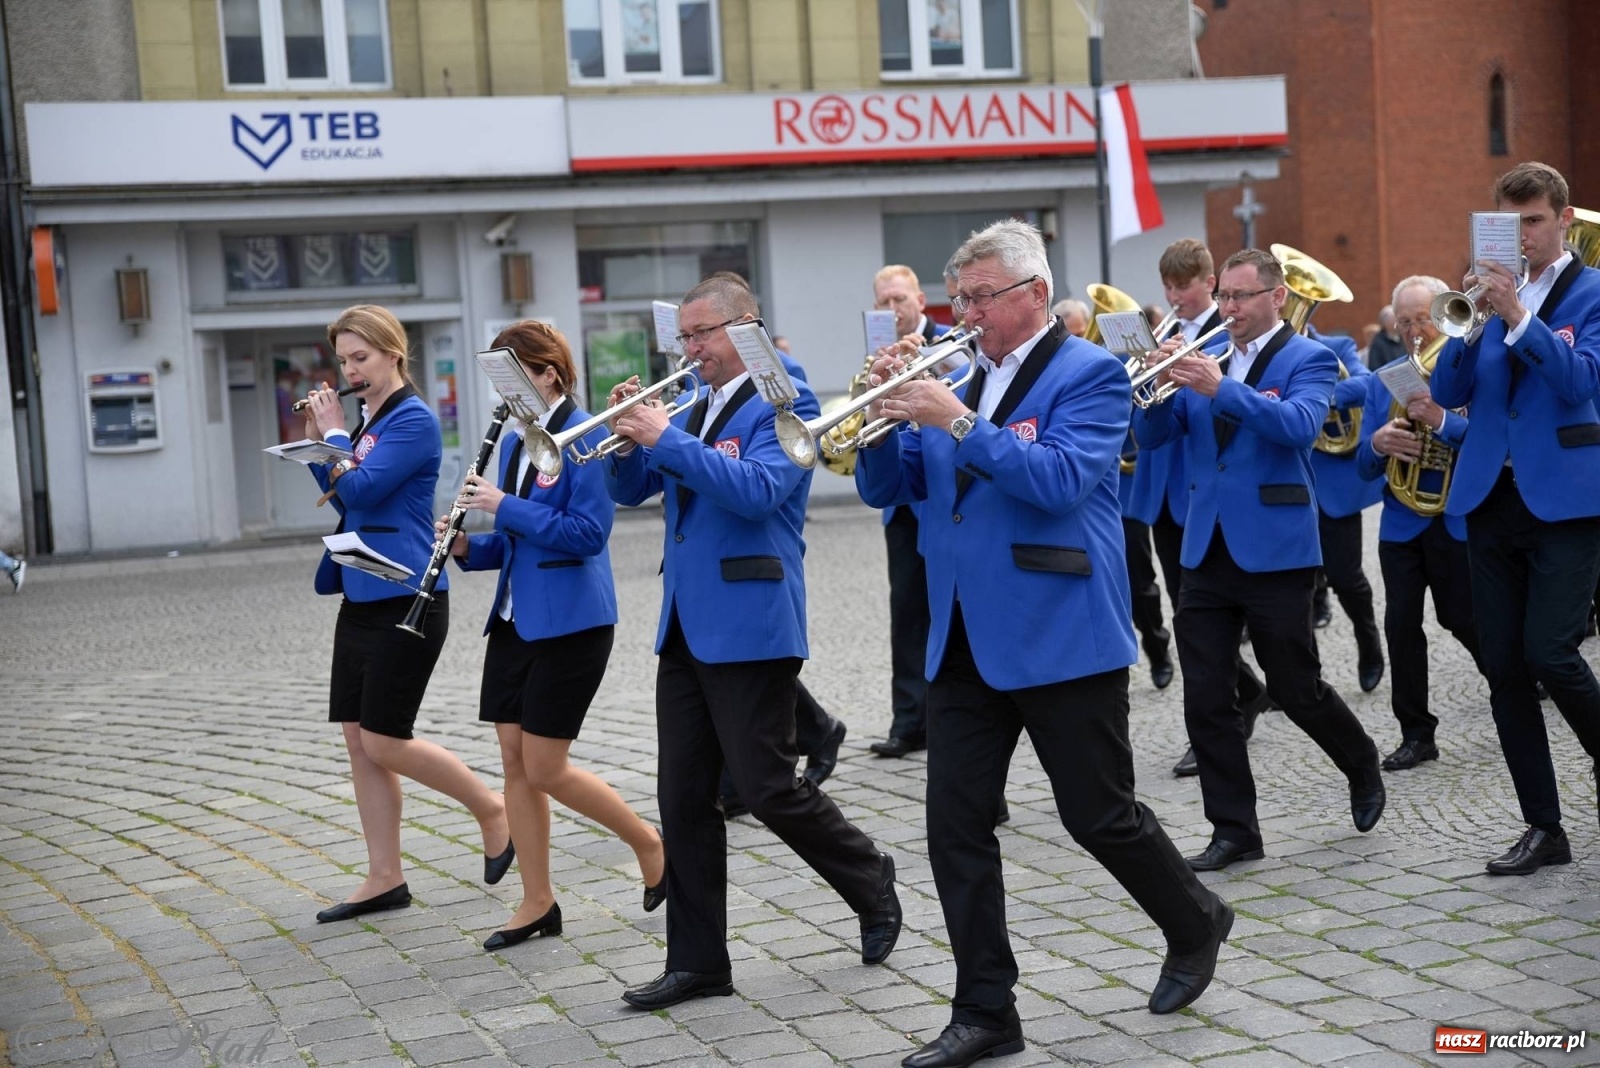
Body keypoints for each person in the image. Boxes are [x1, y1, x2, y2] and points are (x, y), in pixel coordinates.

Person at [859, 220, 1232, 1068]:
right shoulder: (956, 377)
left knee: (1098, 815)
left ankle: (1195, 917)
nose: (970, 315)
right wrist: (886, 420)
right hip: (962, 634)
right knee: (953, 827)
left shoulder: (1090, 372)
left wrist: (955, 422)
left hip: (1058, 625)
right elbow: (897, 489)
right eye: (966, 300)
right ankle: (987, 1010)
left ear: (1034, 294)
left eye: (985, 298)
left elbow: (1061, 481)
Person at [605, 276, 901, 1009]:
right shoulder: (693, 401)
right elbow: (627, 490)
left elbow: (759, 491)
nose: (690, 349)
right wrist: (625, 437)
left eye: (702, 335)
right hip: (684, 620)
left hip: (750, 613)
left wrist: (666, 438)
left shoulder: (785, 397)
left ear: (746, 329)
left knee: (768, 786)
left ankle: (870, 877)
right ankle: (699, 961)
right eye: (687, 337)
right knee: (682, 798)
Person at [1133, 249, 1386, 872]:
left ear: (1277, 297)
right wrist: (1156, 387)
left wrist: (1220, 388)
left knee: (1294, 686)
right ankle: (1235, 829)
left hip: (1276, 547)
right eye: (1225, 297)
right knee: (1207, 696)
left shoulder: (1310, 358)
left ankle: (1360, 760)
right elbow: (1155, 438)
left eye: (1243, 297)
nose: (1231, 309)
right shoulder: (1206, 357)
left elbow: (1299, 426)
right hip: (1207, 548)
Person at [445, 320, 666, 951]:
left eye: (513, 379)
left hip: (573, 622)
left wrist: (500, 504)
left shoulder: (584, 433)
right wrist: (467, 544)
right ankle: (537, 901)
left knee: (545, 766)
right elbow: (523, 543)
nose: (504, 394)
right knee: (514, 761)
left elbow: (586, 534)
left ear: (548, 373)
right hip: (516, 620)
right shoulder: (520, 440)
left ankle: (649, 842)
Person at [301, 304, 511, 923]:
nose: (350, 370)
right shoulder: (369, 420)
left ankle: (492, 809)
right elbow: (343, 484)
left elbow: (361, 489)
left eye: (360, 358)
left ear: (393, 353)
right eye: (343, 360)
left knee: (385, 740)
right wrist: (323, 442)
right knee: (357, 742)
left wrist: (334, 436)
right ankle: (384, 877)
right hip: (362, 591)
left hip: (410, 595)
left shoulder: (413, 419)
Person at [1429, 161, 1600, 876]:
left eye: (1534, 220)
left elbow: (1577, 382)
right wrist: (1470, 324)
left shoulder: (1591, 292)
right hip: (1489, 497)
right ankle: (1544, 826)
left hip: (1564, 497)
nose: (1523, 234)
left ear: (1563, 219)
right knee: (1502, 666)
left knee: (1551, 652)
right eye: (1510, 221)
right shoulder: (1486, 296)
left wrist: (1519, 318)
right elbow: (1448, 388)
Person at [1138, 239, 1273, 776]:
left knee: (1204, 617)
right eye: (1168, 287)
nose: (1176, 295)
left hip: (1213, 491)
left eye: (1186, 287)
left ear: (1209, 284)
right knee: (1187, 614)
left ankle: (1244, 698)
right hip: (1171, 491)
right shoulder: (1170, 335)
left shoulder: (1225, 338)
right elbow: (1151, 425)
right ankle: (1243, 695)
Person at [1357, 276, 1485, 771]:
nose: (1415, 332)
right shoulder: (1383, 377)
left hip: (1455, 516)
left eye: (1423, 319)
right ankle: (1416, 733)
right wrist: (1377, 444)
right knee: (1401, 625)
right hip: (1402, 522)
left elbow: (1484, 443)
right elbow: (1364, 467)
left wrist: (1441, 421)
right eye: (1405, 322)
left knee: (1463, 617)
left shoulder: (1469, 372)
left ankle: (1510, 684)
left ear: (1444, 315)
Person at [869, 264, 951, 759]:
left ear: (921, 300)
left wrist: (929, 366)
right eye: (882, 302)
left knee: (943, 611)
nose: (892, 310)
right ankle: (907, 720)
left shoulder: (952, 342)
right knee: (906, 611)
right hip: (900, 499)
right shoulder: (877, 348)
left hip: (938, 496)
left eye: (899, 299)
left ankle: (945, 719)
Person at [1306, 323, 1386, 692]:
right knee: (1292, 587)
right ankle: (1301, 672)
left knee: (1345, 577)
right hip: (1285, 482)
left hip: (1333, 486)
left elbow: (1369, 383)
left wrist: (1316, 399)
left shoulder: (1337, 343)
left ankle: (1368, 640)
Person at [1366, 304, 1406, 370]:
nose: (1397, 322)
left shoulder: (1404, 338)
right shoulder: (1378, 343)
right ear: (1385, 322)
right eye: (1393, 319)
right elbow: (1374, 367)